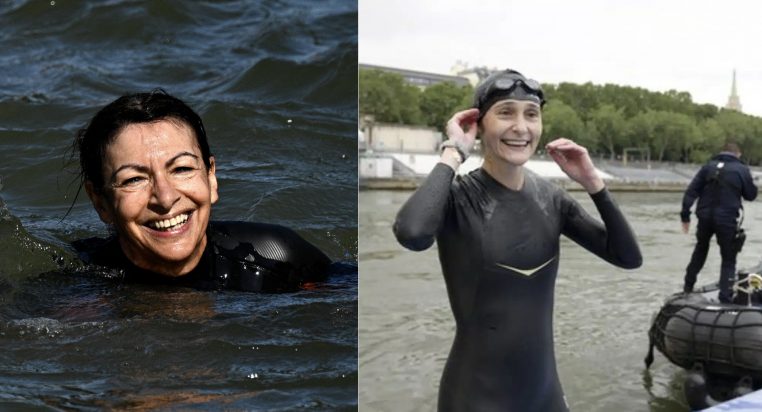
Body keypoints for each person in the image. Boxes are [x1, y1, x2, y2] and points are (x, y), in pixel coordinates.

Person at [393, 69, 642, 411]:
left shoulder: (551, 199)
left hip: (545, 396)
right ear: (478, 124)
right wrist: (453, 152)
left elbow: (627, 257)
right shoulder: (458, 198)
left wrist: (593, 183)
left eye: (531, 115)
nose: (521, 127)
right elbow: (412, 233)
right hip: (476, 398)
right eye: (506, 112)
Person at [72, 90, 331, 292]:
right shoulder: (79, 288)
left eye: (182, 169)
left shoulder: (277, 259)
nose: (165, 197)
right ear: (100, 202)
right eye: (134, 179)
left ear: (211, 177)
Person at [680, 142, 757, 302]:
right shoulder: (741, 169)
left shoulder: (708, 167)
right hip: (726, 219)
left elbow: (691, 191)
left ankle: (687, 287)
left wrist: (685, 216)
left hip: (704, 217)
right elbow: (751, 195)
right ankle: (725, 296)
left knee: (700, 250)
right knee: (728, 258)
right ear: (738, 154)